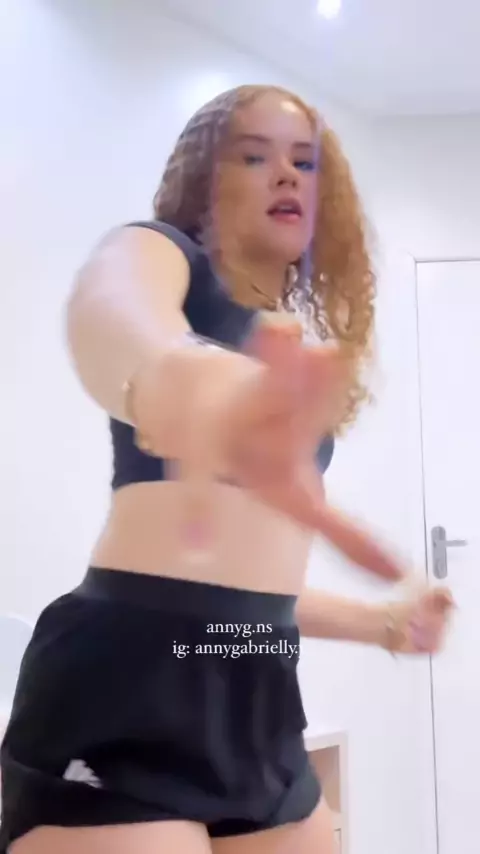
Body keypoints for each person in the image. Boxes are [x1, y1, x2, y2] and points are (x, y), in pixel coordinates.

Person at [0, 85, 452, 854]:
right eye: (252, 155)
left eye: (304, 161)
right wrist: (180, 375)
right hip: (123, 683)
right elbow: (113, 303)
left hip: (257, 690)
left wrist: (380, 624)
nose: (285, 173)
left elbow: (244, 587)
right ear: (205, 181)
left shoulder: (286, 358)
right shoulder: (162, 254)